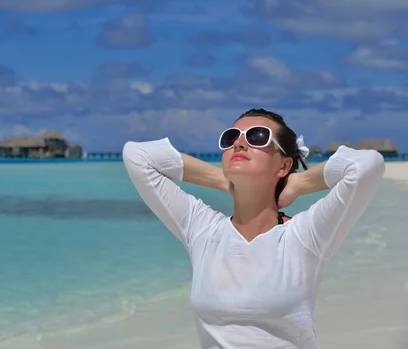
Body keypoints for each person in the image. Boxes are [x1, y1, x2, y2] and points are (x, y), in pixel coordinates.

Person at [122, 108, 385, 349]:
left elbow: (367, 165)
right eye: (232, 136)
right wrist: (223, 179)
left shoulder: (304, 235)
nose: (239, 142)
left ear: (283, 165)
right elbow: (137, 156)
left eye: (258, 136)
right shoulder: (202, 230)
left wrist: (300, 184)